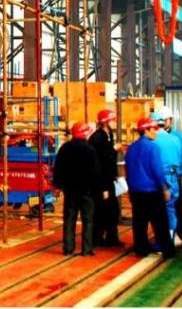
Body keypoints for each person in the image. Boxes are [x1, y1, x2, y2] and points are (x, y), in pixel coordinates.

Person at [125, 117, 175, 258]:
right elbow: (157, 170)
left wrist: (130, 188)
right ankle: (167, 250)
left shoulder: (131, 148)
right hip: (152, 192)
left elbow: (128, 170)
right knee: (161, 223)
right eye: (154, 129)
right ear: (146, 130)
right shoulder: (153, 147)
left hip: (136, 192)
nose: (156, 132)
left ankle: (141, 249)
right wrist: (164, 188)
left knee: (139, 223)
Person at [53, 121, 101, 256]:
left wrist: (58, 186)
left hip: (70, 191)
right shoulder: (90, 149)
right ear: (85, 134)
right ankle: (87, 249)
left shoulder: (65, 148)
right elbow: (95, 171)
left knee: (69, 220)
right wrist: (97, 189)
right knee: (88, 220)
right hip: (86, 192)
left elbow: (58, 168)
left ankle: (68, 249)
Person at [151, 106, 182, 247]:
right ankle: (170, 239)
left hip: (165, 179)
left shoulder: (159, 139)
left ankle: (175, 239)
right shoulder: (175, 139)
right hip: (173, 179)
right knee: (172, 210)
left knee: (170, 210)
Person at [89, 108, 123, 246]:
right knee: (102, 210)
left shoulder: (108, 135)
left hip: (108, 179)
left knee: (112, 210)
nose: (115, 123)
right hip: (101, 181)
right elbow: (100, 161)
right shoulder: (98, 137)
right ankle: (97, 238)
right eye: (112, 120)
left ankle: (111, 237)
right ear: (105, 122)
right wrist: (113, 149)